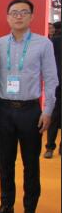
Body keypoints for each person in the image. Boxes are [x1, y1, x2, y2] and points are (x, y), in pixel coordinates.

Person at [0, 0, 58, 213]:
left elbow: (51, 80)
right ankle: (6, 204)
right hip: (4, 110)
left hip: (30, 111)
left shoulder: (43, 44)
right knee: (5, 162)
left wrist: (48, 111)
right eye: (14, 12)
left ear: (32, 17)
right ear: (7, 17)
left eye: (23, 12)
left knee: (31, 163)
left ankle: (30, 209)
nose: (18, 16)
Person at [44, 21, 61, 159]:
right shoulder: (54, 42)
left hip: (56, 84)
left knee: (54, 117)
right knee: (54, 116)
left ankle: (51, 147)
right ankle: (53, 146)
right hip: (57, 84)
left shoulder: (53, 41)